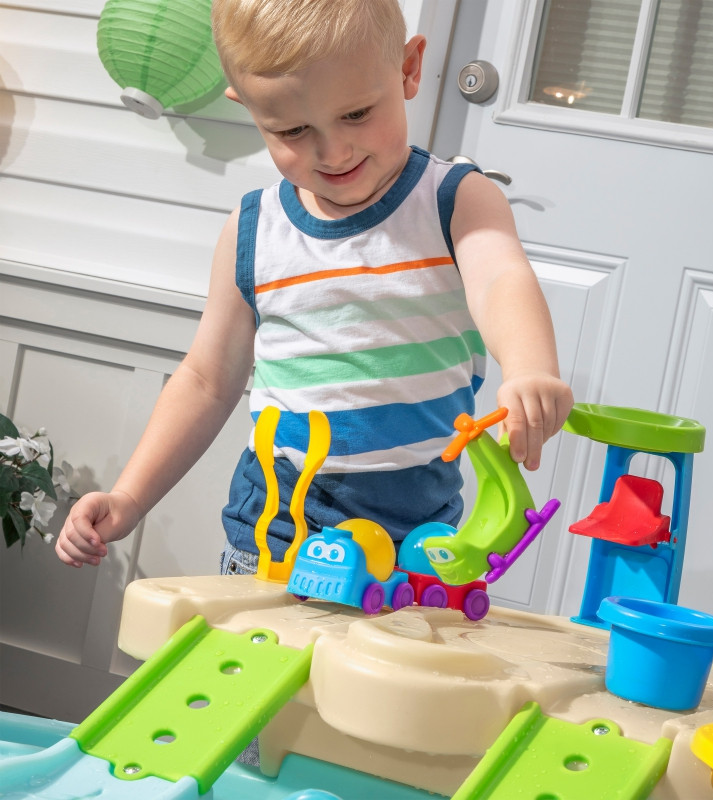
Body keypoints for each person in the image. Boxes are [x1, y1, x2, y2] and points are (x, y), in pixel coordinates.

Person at [56, 0, 573, 574]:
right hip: (271, 541)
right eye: (293, 130)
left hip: (414, 547)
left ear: (408, 69)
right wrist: (129, 497)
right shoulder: (254, 228)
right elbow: (205, 381)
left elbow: (500, 278)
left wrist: (530, 367)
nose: (334, 151)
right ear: (248, 106)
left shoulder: (454, 200)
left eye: (356, 113)